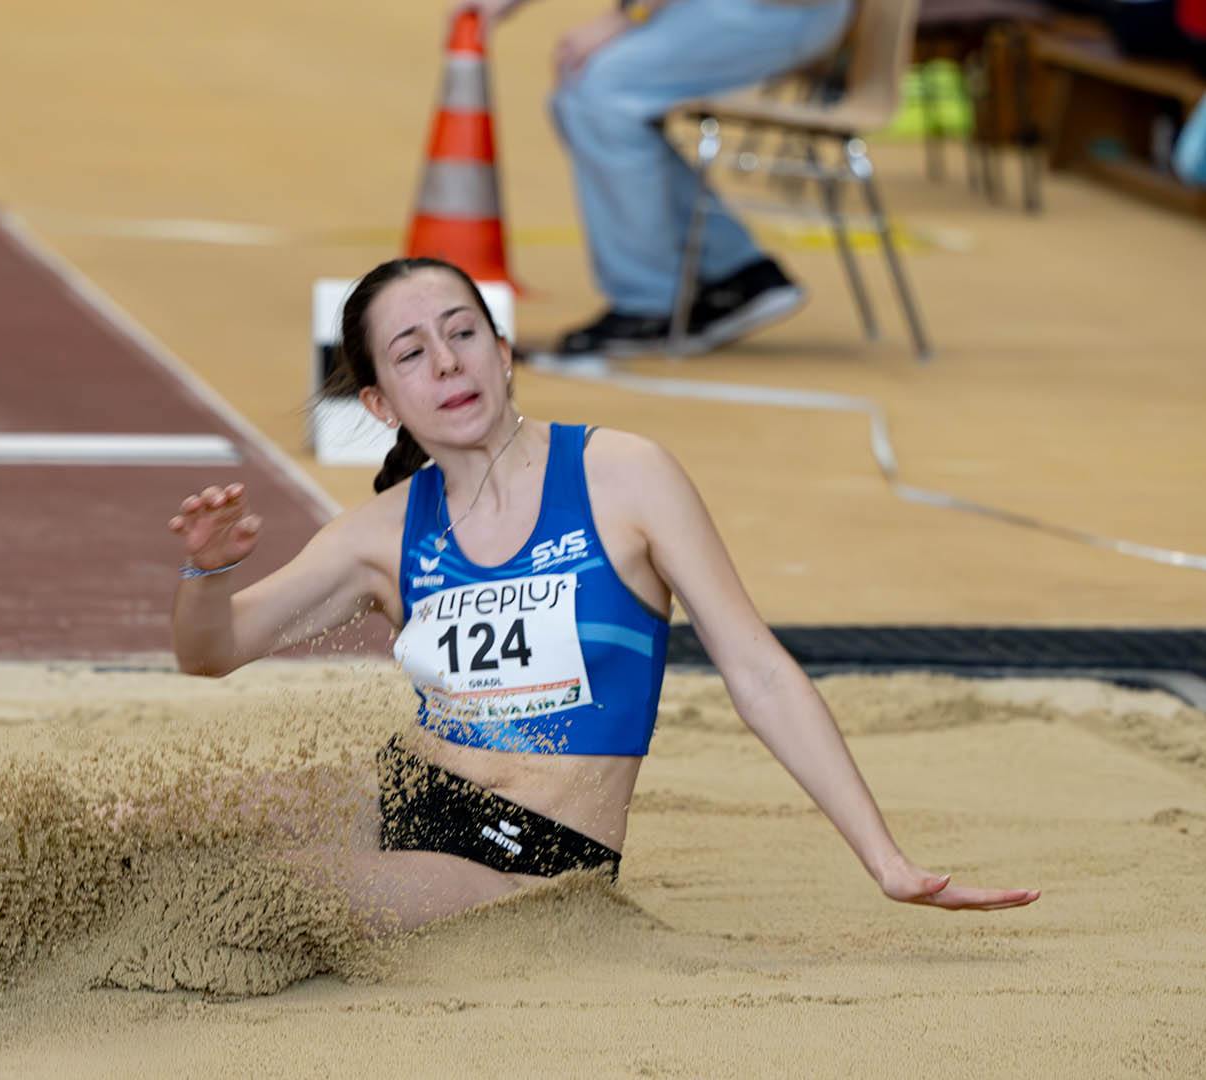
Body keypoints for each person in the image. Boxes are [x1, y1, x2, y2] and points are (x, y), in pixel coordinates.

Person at [167, 256, 1038, 931]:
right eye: (412, 353)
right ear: (381, 402)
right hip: (406, 795)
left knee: (255, 901)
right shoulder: (382, 533)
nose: (447, 362)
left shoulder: (626, 476)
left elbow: (759, 672)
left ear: (503, 353)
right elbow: (213, 651)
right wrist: (207, 571)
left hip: (532, 863)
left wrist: (886, 860)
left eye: (462, 333)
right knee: (155, 835)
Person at [457, 0, 856, 357]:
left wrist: (626, 16)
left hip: (780, 13)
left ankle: (649, 304)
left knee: (601, 93)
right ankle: (733, 268)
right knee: (590, 94)